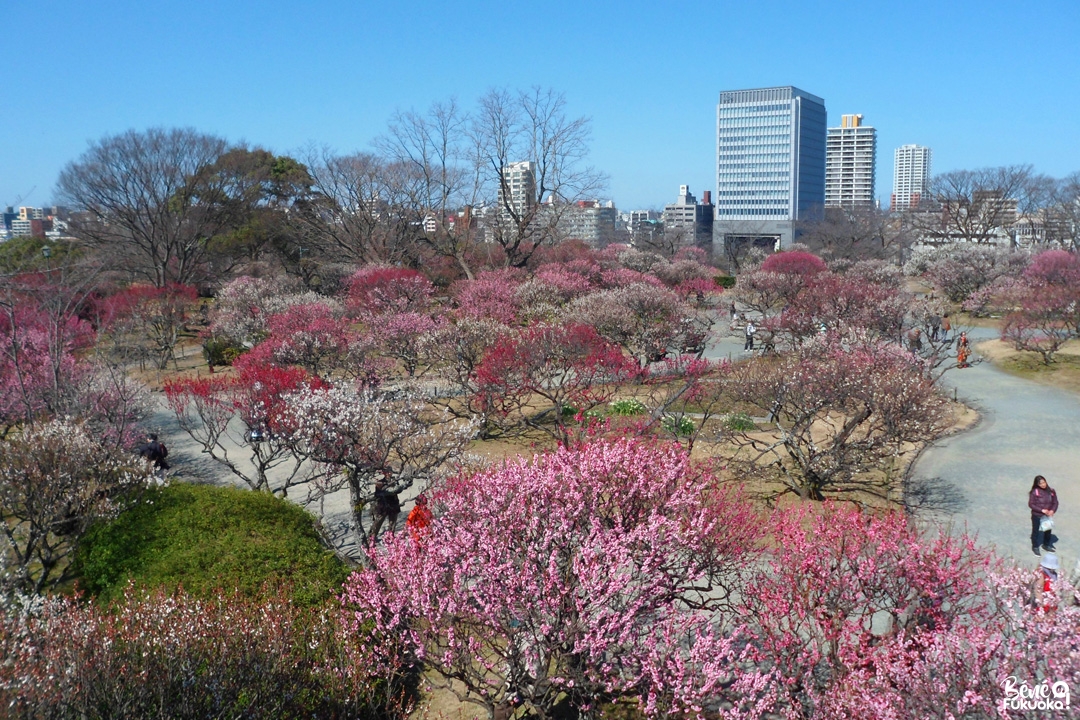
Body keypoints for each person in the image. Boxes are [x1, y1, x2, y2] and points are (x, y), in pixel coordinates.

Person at [1029, 474, 1059, 555]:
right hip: (1037, 515)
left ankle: (1046, 545)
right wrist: (1042, 510)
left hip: (1047, 515)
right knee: (1035, 531)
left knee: (1048, 530)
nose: (1043, 484)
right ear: (1037, 484)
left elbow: (1055, 502)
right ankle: (1035, 546)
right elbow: (1031, 504)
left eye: (1044, 482)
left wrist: (1052, 510)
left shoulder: (1051, 491)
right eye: (1040, 483)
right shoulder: (1034, 492)